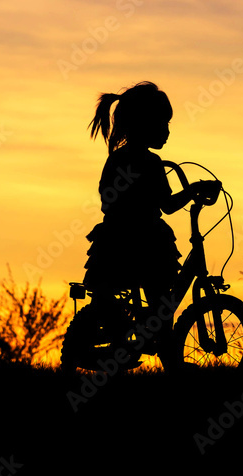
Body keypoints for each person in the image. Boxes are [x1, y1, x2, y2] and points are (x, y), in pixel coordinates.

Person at [82, 81, 207, 334]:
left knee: (114, 294)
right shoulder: (150, 162)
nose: (167, 130)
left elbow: (106, 200)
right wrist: (193, 191)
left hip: (113, 239)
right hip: (147, 242)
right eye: (163, 123)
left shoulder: (116, 158)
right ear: (144, 123)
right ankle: (170, 360)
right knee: (162, 305)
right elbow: (168, 205)